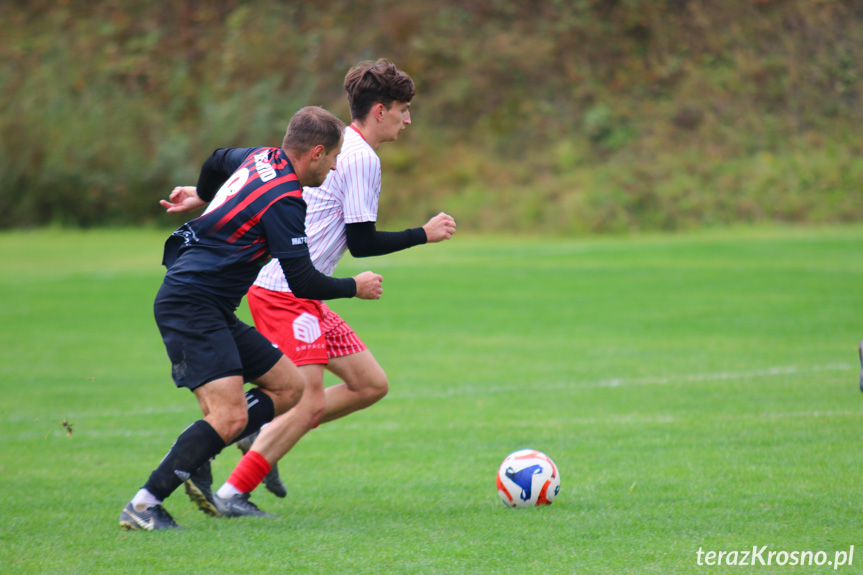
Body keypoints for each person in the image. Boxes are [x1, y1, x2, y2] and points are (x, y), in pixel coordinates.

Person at [171, 59, 456, 518]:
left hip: (306, 291)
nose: (409, 119)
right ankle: (232, 489)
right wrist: (423, 233)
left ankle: (259, 428)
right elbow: (361, 243)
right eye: (403, 109)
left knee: (370, 384)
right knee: (307, 399)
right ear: (380, 110)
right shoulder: (361, 157)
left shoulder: (345, 147)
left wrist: (204, 193)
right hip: (286, 289)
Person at [119, 106, 384, 531]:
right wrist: (355, 286)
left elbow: (216, 158)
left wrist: (204, 194)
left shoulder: (261, 157)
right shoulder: (285, 200)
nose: (335, 166)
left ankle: (209, 443)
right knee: (229, 416)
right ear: (316, 153)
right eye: (333, 157)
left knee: (288, 386)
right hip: (191, 304)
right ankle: (144, 503)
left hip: (210, 305)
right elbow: (302, 280)